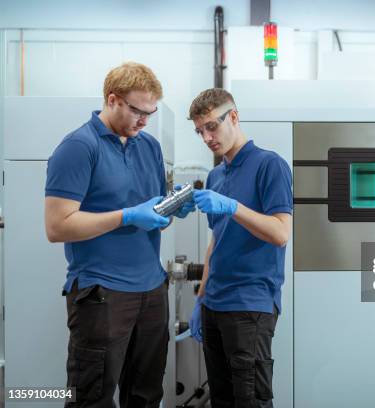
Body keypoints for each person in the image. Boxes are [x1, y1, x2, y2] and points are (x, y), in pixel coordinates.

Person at [44, 62, 194, 407]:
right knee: (91, 398)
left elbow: (152, 216)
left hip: (151, 290)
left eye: (150, 113)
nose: (144, 121)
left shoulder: (150, 147)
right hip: (102, 292)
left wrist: (171, 210)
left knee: (146, 395)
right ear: (112, 100)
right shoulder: (78, 147)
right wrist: (126, 216)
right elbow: (57, 226)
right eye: (138, 111)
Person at [188, 88, 292, 408]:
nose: (207, 137)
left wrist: (233, 206)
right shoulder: (216, 175)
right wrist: (201, 297)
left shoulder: (269, 165)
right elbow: (216, 240)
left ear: (233, 117)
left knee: (250, 401)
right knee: (222, 400)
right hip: (214, 304)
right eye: (199, 131)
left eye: (211, 127)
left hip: (250, 304)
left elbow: (280, 232)